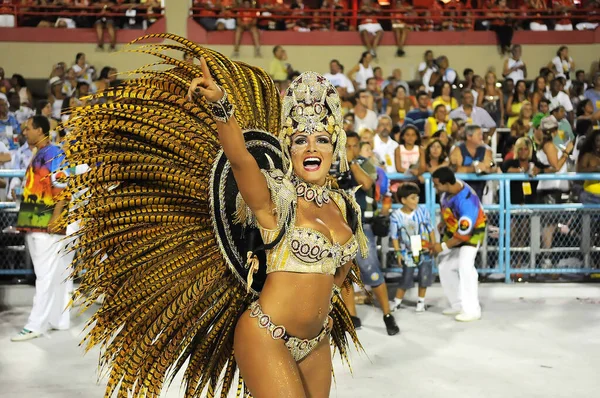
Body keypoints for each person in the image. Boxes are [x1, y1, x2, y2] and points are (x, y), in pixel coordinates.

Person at [61, 40, 371, 396]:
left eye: (321, 139)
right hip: (267, 334)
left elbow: (337, 279)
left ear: (336, 147)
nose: (312, 148)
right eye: (301, 139)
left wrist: (318, 308)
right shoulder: (276, 199)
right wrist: (222, 107)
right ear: (289, 148)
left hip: (317, 340)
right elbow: (239, 159)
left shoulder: (346, 207)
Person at [11, 116, 71, 341]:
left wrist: (55, 218)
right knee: (51, 275)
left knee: (44, 276)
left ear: (40, 130)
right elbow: (42, 186)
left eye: (28, 128)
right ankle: (58, 319)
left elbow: (64, 187)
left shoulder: (54, 152)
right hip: (36, 223)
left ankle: (35, 325)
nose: (24, 132)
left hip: (45, 225)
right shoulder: (41, 153)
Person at [340, 131, 400, 335]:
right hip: (338, 227)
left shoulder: (364, 163)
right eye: (347, 145)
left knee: (371, 269)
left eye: (355, 145)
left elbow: (366, 184)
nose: (351, 149)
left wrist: (351, 163)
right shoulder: (331, 163)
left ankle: (387, 315)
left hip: (361, 226)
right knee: (344, 272)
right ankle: (352, 315)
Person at [431, 167, 486, 322]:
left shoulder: (467, 203)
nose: (434, 188)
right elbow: (449, 209)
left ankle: (472, 310)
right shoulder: (449, 191)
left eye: (436, 185)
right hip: (455, 229)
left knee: (465, 266)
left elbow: (463, 236)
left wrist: (441, 246)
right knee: (445, 267)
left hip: (473, 232)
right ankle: (458, 304)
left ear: (447, 183)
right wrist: (444, 221)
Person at [389, 183, 436, 313]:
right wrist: (398, 253)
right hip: (408, 252)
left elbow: (430, 229)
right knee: (406, 277)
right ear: (403, 200)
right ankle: (397, 302)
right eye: (413, 198)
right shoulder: (396, 216)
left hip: (424, 250)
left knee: (424, 276)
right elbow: (394, 236)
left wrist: (433, 245)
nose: (416, 201)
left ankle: (421, 303)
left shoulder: (423, 211)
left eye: (417, 197)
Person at [449, 124, 496, 199]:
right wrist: (474, 168)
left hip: (481, 190)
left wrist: (486, 169)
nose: (482, 137)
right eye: (479, 134)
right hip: (460, 192)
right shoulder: (457, 150)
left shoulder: (487, 150)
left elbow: (490, 167)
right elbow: (455, 169)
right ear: (469, 136)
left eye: (482, 134)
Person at [577, 129, 600, 204]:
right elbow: (580, 171)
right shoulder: (588, 156)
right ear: (593, 142)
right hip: (590, 195)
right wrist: (595, 168)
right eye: (598, 141)